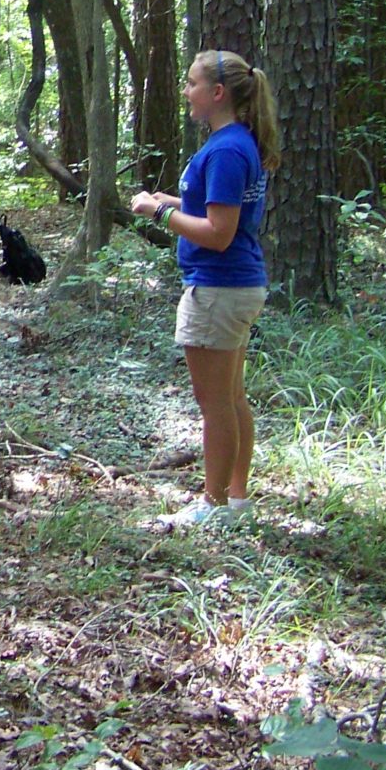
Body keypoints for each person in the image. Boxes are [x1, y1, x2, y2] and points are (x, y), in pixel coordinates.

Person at [131, 49, 279, 527]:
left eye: (192, 83)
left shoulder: (227, 150)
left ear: (218, 94)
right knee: (232, 398)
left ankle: (214, 506)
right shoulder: (233, 144)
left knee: (216, 406)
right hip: (235, 287)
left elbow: (219, 233)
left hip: (218, 289)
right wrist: (172, 200)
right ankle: (236, 499)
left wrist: (158, 214)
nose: (186, 91)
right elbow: (215, 205)